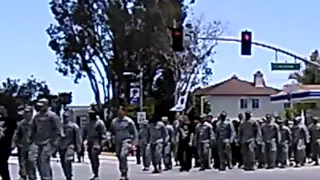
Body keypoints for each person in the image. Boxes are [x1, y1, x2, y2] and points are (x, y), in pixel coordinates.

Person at [29, 98, 62, 180]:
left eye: (42, 105)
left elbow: (59, 131)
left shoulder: (52, 116)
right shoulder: (36, 116)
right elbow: (33, 128)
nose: (40, 107)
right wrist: (30, 139)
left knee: (44, 161)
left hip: (48, 142)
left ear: (47, 105)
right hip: (37, 142)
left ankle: (46, 178)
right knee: (31, 159)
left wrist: (55, 144)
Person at [110, 106, 138, 180]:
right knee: (119, 157)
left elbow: (135, 132)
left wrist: (134, 144)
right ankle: (123, 172)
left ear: (124, 112)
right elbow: (111, 131)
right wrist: (110, 139)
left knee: (123, 155)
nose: (119, 112)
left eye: (121, 111)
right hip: (117, 141)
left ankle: (124, 172)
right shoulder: (114, 121)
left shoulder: (129, 121)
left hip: (126, 141)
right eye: (118, 111)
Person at [83, 108, 107, 180]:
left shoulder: (99, 123)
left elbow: (103, 134)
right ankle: (95, 173)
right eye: (89, 114)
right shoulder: (88, 123)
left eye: (92, 114)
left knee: (94, 156)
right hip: (89, 141)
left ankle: (97, 174)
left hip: (97, 141)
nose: (90, 115)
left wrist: (102, 144)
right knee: (91, 158)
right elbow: (84, 133)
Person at [13, 106, 36, 180]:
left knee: (31, 161)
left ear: (31, 113)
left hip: (32, 145)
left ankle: (32, 176)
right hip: (22, 145)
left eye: (27, 112)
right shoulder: (22, 123)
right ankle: (23, 175)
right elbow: (17, 133)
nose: (25, 114)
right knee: (22, 161)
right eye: (25, 113)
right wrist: (15, 142)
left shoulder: (35, 122)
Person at [58, 110, 82, 180]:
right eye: (64, 117)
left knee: (67, 160)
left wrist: (78, 147)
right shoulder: (60, 126)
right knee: (63, 163)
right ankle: (67, 176)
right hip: (62, 147)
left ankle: (69, 176)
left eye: (66, 117)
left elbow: (78, 137)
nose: (65, 118)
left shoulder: (74, 126)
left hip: (70, 146)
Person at [0, 106, 18, 180]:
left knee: (3, 162)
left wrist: (13, 143)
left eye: (2, 110)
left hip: (6, 145)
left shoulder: (11, 122)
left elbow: (15, 133)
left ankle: (6, 178)